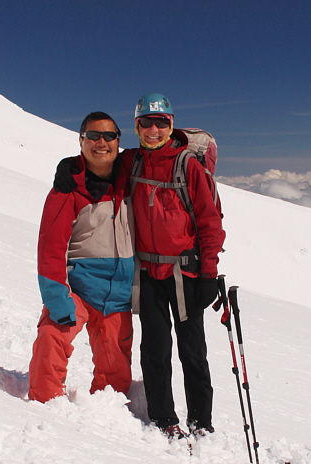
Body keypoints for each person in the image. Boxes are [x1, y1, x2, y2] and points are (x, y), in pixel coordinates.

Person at [126, 93, 226, 439]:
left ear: (171, 126)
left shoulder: (188, 166)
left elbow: (210, 223)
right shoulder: (131, 162)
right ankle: (164, 418)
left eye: (161, 123)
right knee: (154, 349)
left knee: (192, 351)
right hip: (147, 273)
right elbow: (96, 166)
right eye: (146, 123)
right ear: (136, 126)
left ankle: (201, 422)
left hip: (186, 274)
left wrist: (209, 274)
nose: (153, 130)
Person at [28, 112, 135, 403]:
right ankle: (42, 406)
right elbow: (50, 247)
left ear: (118, 142)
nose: (101, 142)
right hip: (78, 290)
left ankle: (108, 414)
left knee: (115, 380)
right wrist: (57, 297)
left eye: (109, 136)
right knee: (52, 336)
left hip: (118, 297)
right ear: (81, 141)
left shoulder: (131, 180)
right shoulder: (67, 190)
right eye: (93, 136)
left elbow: (161, 154)